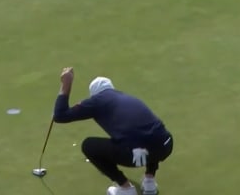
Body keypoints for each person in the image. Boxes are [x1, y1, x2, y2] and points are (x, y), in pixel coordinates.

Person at [53, 67, 174, 195]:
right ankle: (150, 182)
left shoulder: (97, 101)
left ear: (94, 94)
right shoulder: (124, 96)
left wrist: (66, 84)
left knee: (88, 146)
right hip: (165, 145)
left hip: (135, 154)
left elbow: (60, 116)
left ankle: (125, 188)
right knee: (149, 134)